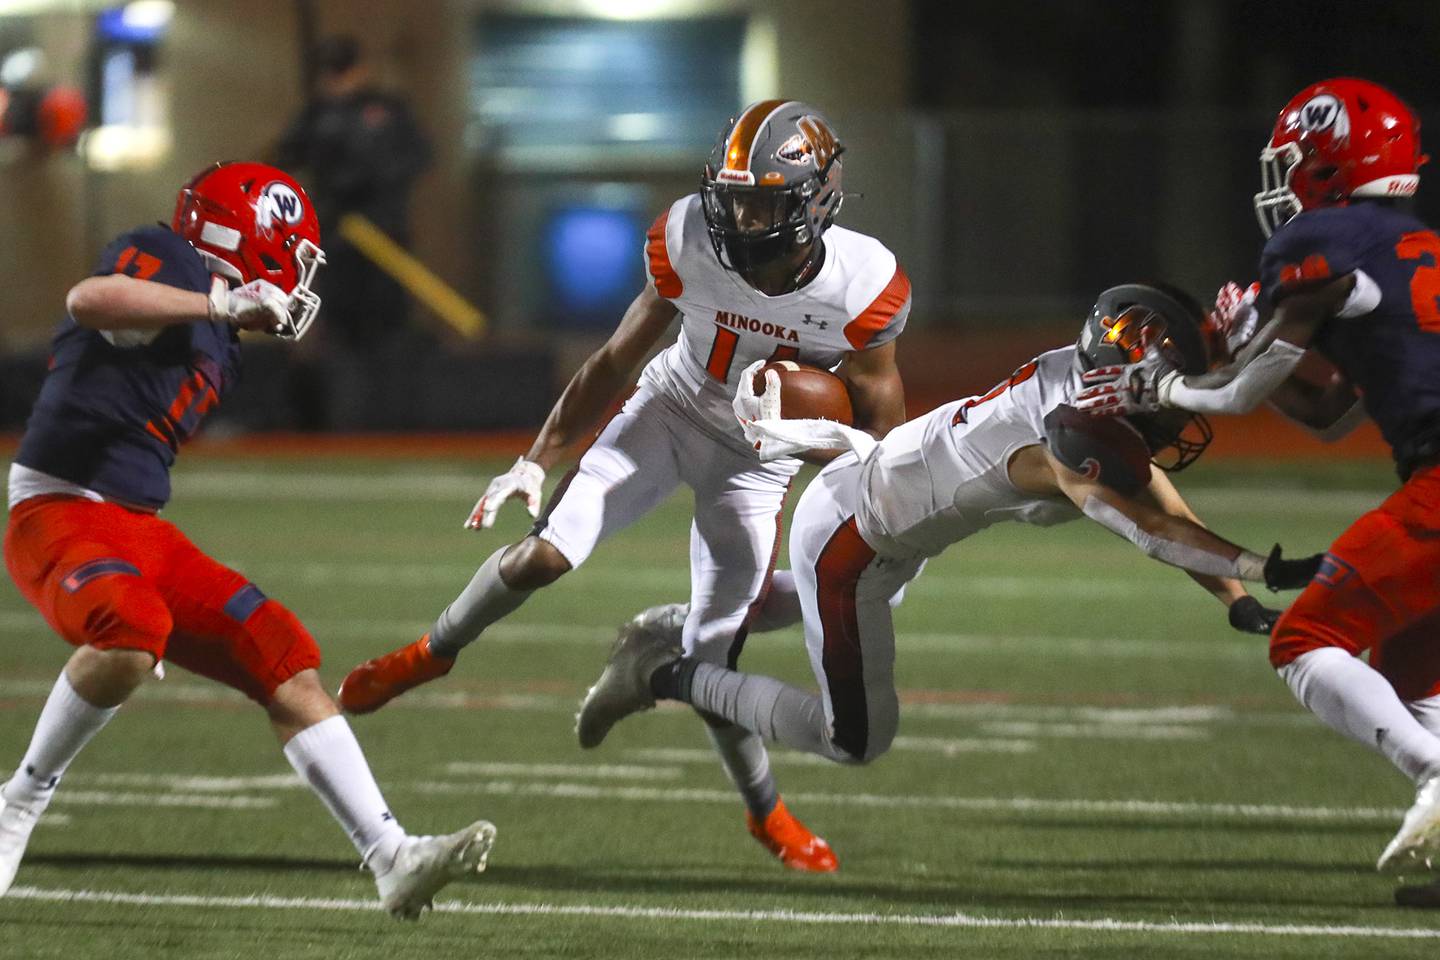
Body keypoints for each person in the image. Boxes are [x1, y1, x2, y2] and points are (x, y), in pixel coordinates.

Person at [339, 100, 910, 872]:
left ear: (815, 199)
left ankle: (765, 812)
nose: (739, 218)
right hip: (669, 410)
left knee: (713, 661)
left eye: (762, 202)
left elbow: (880, 428)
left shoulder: (862, 281)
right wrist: (537, 459)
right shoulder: (690, 237)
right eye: (732, 197)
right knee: (542, 556)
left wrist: (836, 466)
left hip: (759, 461)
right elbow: (612, 360)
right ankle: (432, 651)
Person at [0, 161, 494, 918]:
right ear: (248, 236)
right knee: (133, 632)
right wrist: (216, 298)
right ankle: (18, 805)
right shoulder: (168, 258)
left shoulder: (223, 333)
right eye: (290, 251)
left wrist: (222, 313)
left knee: (282, 651)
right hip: (59, 508)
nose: (297, 273)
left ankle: (391, 856)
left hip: (136, 526)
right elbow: (91, 298)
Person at [574, 283, 1314, 770]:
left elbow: (1165, 508)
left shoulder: (1085, 390)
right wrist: (1264, 569)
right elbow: (1148, 527)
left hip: (884, 506)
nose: (1178, 415)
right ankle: (662, 672)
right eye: (1168, 395)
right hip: (853, 538)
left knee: (841, 603)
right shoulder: (1071, 435)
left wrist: (1237, 600)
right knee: (857, 740)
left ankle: (668, 625)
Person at [1071, 77, 1440, 879]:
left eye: (1295, 162)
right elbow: (1332, 412)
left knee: (1306, 639)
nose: (1283, 181)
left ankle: (1435, 776)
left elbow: (1239, 395)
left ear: (1328, 165)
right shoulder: (1411, 249)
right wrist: (1256, 337)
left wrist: (1156, 387)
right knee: (1413, 670)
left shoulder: (1328, 245)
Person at [274, 34, 433, 429]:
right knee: (339, 336)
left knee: (389, 334)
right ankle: (345, 425)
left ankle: (395, 424)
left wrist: (374, 179)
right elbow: (287, 155)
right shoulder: (316, 113)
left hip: (384, 242)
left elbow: (419, 156)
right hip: (337, 241)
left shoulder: (386, 109)